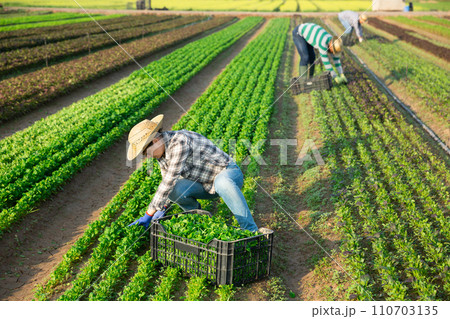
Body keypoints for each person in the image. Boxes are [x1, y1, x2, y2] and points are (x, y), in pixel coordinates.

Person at [127, 114, 259, 232]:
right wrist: (162, 208)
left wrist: (148, 214)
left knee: (222, 182)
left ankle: (250, 230)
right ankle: (200, 220)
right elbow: (167, 184)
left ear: (155, 141)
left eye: (145, 152)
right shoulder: (161, 154)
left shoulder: (179, 142)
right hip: (204, 185)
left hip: (228, 174)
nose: (147, 157)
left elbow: (170, 178)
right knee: (174, 190)